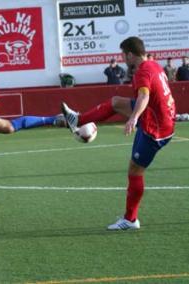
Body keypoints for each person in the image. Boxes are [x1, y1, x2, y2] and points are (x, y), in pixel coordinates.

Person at [61, 36, 175, 231]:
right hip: (157, 118)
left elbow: (145, 95)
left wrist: (134, 117)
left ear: (130, 54)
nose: (123, 58)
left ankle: (130, 219)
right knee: (115, 102)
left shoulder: (142, 72)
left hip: (155, 129)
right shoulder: (153, 65)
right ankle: (77, 119)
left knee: (135, 170)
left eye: (124, 54)